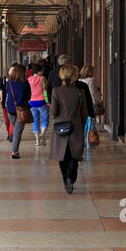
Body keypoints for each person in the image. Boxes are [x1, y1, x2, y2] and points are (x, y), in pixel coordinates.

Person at [48, 62, 88, 194]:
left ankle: (66, 179)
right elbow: (84, 112)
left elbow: (53, 112)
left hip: (60, 127)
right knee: (74, 156)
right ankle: (71, 177)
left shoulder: (56, 91)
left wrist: (58, 117)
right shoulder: (80, 92)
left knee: (62, 156)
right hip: (76, 127)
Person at [5, 63, 31, 159]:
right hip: (22, 110)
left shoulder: (8, 83)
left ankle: (15, 150)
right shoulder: (25, 84)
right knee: (17, 131)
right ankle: (14, 152)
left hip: (10, 110)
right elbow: (29, 96)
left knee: (16, 129)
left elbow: (7, 95)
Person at [27, 57, 49, 146]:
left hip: (32, 102)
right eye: (42, 71)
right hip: (42, 101)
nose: (43, 72)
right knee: (45, 119)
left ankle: (37, 141)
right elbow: (45, 89)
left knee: (35, 120)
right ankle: (42, 134)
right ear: (38, 71)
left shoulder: (29, 79)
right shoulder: (42, 78)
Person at [79, 64, 101, 148]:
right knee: (91, 123)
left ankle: (82, 141)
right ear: (89, 72)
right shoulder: (90, 81)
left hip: (82, 104)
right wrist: (97, 102)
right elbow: (92, 93)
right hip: (90, 104)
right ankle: (90, 141)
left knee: (84, 123)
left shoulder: (80, 80)